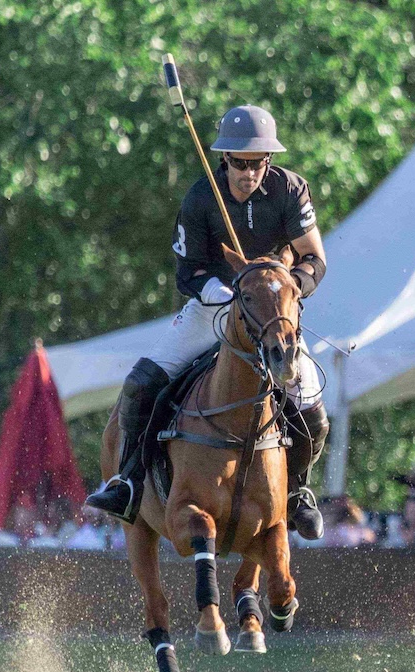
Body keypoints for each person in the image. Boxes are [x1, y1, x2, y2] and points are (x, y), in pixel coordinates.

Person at [85, 105, 330, 540]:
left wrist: (286, 287)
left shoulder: (290, 190)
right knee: (141, 383)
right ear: (224, 160)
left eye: (257, 162)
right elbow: (188, 271)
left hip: (273, 315)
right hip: (213, 306)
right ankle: (127, 482)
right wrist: (220, 291)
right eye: (239, 162)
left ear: (268, 161)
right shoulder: (202, 198)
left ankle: (295, 493)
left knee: (312, 408)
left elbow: (314, 258)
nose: (248, 172)